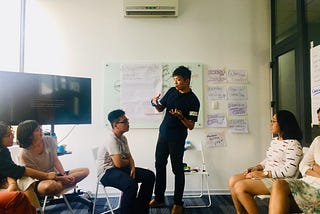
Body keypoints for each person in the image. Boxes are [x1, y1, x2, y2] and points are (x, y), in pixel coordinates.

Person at [228, 110, 303, 214]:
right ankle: (240, 212)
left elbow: (289, 171)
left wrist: (263, 174)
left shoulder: (294, 144)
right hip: (267, 176)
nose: (271, 124)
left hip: (280, 182)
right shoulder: (275, 141)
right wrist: (257, 167)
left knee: (240, 186)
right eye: (271, 121)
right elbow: (269, 159)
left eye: (274, 121)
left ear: (283, 124)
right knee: (233, 180)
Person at [149, 66, 200, 214]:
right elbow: (160, 108)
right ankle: (159, 198)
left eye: (178, 80)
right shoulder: (171, 91)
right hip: (163, 134)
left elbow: (190, 126)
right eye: (174, 80)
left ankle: (178, 203)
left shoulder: (193, 100)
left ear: (187, 80)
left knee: (177, 169)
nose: (176, 83)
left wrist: (181, 117)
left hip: (177, 138)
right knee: (159, 164)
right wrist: (154, 102)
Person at [96, 109, 155, 214]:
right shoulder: (111, 139)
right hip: (106, 173)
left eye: (127, 120)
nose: (128, 123)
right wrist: (128, 162)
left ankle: (141, 209)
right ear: (116, 125)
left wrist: (132, 167)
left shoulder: (123, 138)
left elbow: (129, 157)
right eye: (125, 121)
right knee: (131, 185)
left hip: (119, 169)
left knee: (149, 176)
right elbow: (118, 164)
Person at [16, 120, 89, 196]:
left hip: (56, 175)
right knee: (48, 187)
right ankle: (60, 185)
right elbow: (36, 176)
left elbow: (55, 160)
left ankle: (59, 187)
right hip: (41, 180)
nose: (41, 131)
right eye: (37, 130)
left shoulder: (49, 140)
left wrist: (64, 175)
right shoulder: (24, 154)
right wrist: (62, 179)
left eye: (40, 128)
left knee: (85, 171)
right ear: (29, 136)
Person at [268, 108, 320, 214]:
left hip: (317, 188)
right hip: (308, 182)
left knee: (280, 201)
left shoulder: (293, 143)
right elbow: (303, 165)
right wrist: (314, 168)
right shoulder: (318, 141)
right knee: (279, 185)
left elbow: (294, 169)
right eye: (319, 119)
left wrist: (315, 167)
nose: (319, 123)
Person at [0, 121, 58, 208]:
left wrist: (12, 183)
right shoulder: (6, 152)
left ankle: (35, 210)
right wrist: (46, 175)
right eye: (9, 135)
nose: (12, 137)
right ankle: (35, 210)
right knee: (25, 180)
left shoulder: (4, 150)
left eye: (12, 133)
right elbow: (18, 170)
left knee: (25, 181)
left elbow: (10, 170)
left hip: (4, 180)